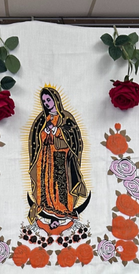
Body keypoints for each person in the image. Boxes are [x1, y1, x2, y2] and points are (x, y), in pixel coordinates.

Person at [27, 87, 89, 235]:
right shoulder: (42, 119)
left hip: (61, 157)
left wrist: (57, 131)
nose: (47, 103)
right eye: (44, 101)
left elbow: (73, 138)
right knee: (47, 183)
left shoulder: (66, 117)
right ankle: (47, 206)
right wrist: (45, 133)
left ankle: (62, 209)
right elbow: (37, 138)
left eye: (49, 100)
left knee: (61, 185)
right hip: (46, 157)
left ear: (55, 99)